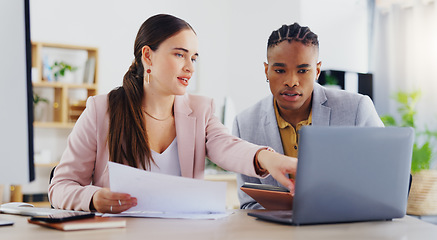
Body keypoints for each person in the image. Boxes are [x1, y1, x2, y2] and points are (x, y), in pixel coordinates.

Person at [48, 14, 297, 213]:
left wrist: (266, 158)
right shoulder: (101, 110)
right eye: (179, 54)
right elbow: (60, 187)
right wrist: (93, 198)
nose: (189, 67)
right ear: (148, 56)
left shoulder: (200, 110)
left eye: (194, 58)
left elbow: (228, 146)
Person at [234, 23, 384, 209]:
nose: (291, 82)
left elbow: (382, 180)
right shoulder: (245, 123)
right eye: (280, 70)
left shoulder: (357, 109)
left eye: (303, 70)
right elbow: (249, 204)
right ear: (267, 70)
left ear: (317, 70)